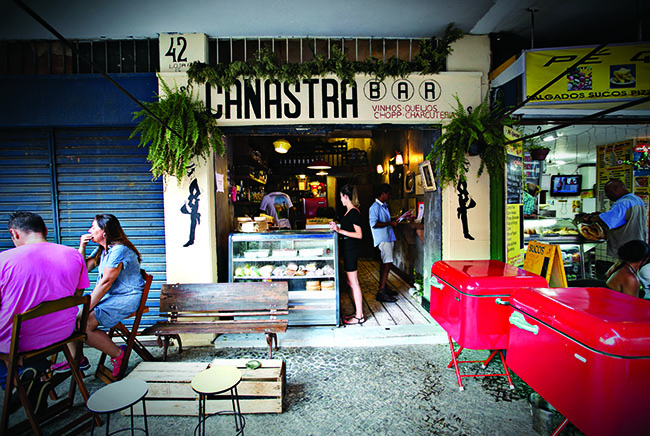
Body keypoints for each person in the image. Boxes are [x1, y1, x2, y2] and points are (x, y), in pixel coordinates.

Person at [0, 211, 89, 414]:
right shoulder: (73, 254)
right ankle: (35, 378)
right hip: (63, 334)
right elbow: (78, 293)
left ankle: (17, 387)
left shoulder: (3, 260)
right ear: (46, 231)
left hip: (20, 343)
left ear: (14, 234)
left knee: (8, 346)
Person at [50, 214, 145, 378]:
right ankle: (77, 358)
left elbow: (106, 282)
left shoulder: (119, 250)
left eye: (93, 227)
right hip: (110, 296)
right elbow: (83, 268)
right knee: (70, 316)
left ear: (105, 232)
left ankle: (118, 354)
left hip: (126, 297)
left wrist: (87, 307)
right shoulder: (103, 249)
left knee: (84, 325)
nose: (89, 230)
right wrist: (82, 246)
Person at [577, 179, 647, 259]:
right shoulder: (636, 200)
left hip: (627, 248)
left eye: (607, 191)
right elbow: (620, 217)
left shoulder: (622, 203)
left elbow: (609, 220)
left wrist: (590, 218)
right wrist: (601, 215)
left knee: (624, 270)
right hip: (639, 245)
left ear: (616, 189)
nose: (606, 195)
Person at [329, 185, 365, 325]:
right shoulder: (348, 212)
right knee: (350, 282)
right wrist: (337, 227)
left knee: (354, 283)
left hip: (352, 250)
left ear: (345, 196)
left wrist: (339, 230)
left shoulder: (354, 212)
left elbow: (359, 234)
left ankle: (359, 316)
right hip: (348, 249)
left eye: (341, 197)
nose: (340, 200)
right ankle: (358, 312)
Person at [368, 183, 398, 303]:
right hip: (383, 239)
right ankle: (381, 291)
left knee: (387, 263)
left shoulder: (384, 206)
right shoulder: (374, 207)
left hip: (388, 237)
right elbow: (374, 224)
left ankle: (384, 287)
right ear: (383, 194)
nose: (390, 196)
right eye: (389, 194)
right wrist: (390, 223)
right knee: (387, 264)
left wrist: (393, 221)